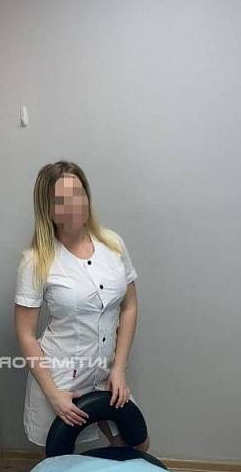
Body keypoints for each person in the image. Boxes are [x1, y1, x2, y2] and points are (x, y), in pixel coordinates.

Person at [14, 160, 150, 454]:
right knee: (64, 461)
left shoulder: (113, 245)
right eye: (61, 200)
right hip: (61, 379)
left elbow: (129, 306)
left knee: (137, 445)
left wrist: (119, 368)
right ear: (47, 208)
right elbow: (25, 334)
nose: (74, 205)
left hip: (106, 374)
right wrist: (53, 394)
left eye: (78, 194)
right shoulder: (35, 261)